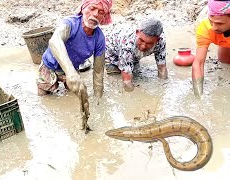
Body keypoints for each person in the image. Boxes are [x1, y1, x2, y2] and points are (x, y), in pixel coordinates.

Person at [36, 0, 112, 132]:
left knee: (74, 97)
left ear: (104, 17)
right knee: (44, 96)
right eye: (92, 8)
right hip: (50, 66)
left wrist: (98, 101)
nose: (95, 14)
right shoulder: (70, 23)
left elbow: (98, 72)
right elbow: (54, 41)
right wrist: (70, 72)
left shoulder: (99, 38)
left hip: (72, 71)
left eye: (101, 12)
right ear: (83, 8)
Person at [104, 18, 168, 92]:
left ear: (158, 39)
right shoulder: (127, 43)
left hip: (131, 53)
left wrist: (163, 89)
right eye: (141, 40)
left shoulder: (161, 41)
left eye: (149, 43)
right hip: (110, 52)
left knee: (136, 73)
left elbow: (162, 67)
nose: (143, 46)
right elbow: (127, 81)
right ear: (137, 32)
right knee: (115, 76)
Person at [192, 0, 230, 97]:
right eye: (211, 21)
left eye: (219, 24)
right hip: (223, 39)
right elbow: (198, 63)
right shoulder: (205, 27)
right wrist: (198, 96)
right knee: (224, 63)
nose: (214, 27)